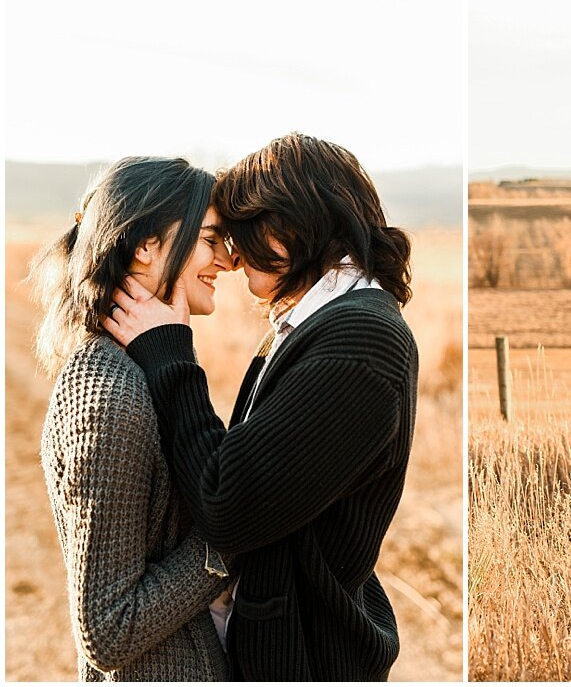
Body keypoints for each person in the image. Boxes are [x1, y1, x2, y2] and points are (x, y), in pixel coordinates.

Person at [103, 133, 418, 681]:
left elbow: (228, 504)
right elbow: (256, 474)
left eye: (239, 232)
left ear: (288, 228)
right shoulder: (320, 325)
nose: (229, 256)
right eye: (218, 237)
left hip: (308, 661)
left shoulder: (359, 344)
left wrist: (169, 356)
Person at [31, 156, 236, 680]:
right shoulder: (108, 397)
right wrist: (234, 539)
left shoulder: (141, 367)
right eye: (211, 239)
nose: (226, 260)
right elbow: (107, 627)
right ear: (147, 245)